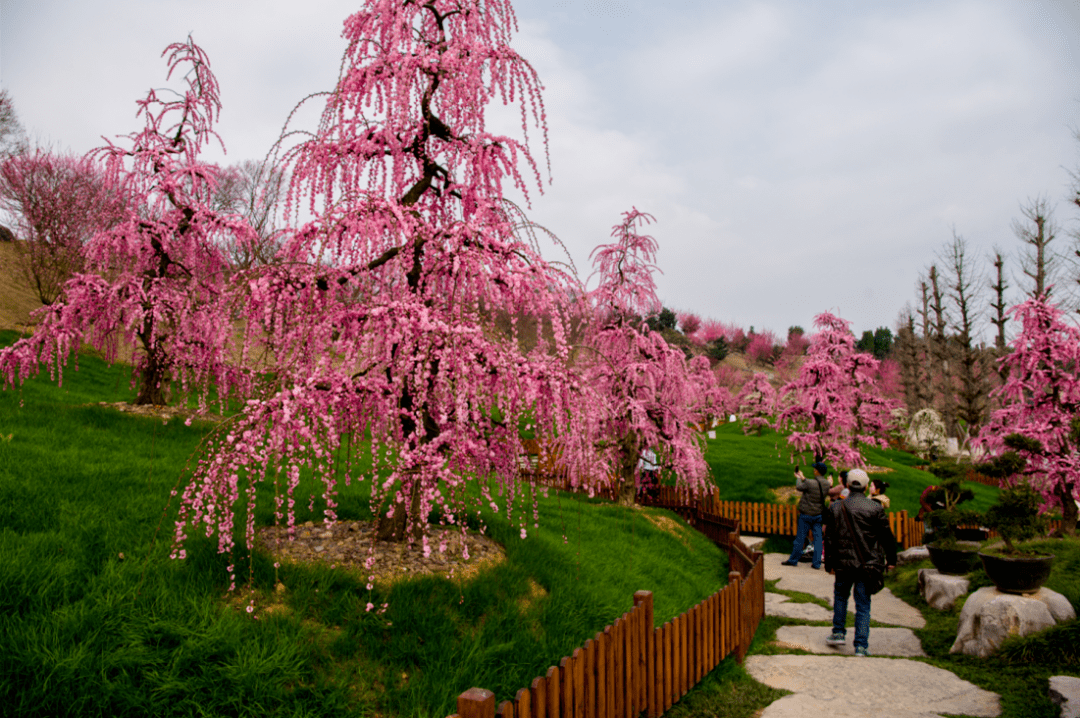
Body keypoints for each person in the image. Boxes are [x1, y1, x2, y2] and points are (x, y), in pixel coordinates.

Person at [823, 469, 897, 656]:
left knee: (841, 596)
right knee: (863, 604)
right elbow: (887, 538)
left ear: (847, 485)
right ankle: (861, 645)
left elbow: (829, 538)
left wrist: (829, 562)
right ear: (866, 487)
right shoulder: (875, 508)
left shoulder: (836, 507)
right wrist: (891, 559)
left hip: (843, 562)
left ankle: (838, 632)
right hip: (867, 564)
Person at [781, 461, 831, 570]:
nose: (813, 470)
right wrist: (803, 477)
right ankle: (816, 563)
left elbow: (799, 487)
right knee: (818, 540)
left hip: (806, 514)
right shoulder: (827, 484)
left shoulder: (810, 483)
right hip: (818, 515)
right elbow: (812, 483)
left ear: (817, 471)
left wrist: (798, 478)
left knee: (800, 538)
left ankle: (793, 560)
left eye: (815, 469)